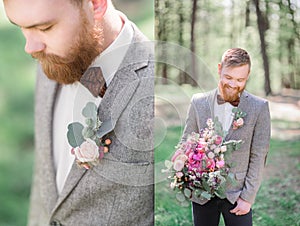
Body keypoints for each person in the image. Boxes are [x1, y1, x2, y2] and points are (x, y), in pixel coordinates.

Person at [4, 0, 154, 225]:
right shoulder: (50, 58)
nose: (30, 47)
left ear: (96, 4)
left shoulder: (155, 91)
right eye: (21, 27)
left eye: (45, 28)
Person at [181, 48, 270, 226]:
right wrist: (185, 176)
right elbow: (186, 143)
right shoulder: (198, 102)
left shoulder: (259, 107)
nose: (233, 84)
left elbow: (259, 156)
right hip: (202, 194)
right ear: (220, 69)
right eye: (228, 77)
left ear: (248, 75)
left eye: (240, 80)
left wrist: (247, 198)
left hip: (237, 194)